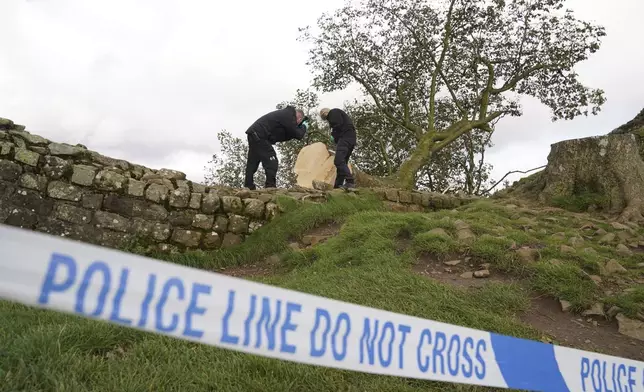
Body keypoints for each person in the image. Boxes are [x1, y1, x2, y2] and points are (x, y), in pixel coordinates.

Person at [243, 105, 309, 190]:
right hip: (260, 135)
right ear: (299, 118)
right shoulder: (289, 115)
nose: (297, 124)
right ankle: (270, 187)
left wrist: (300, 127)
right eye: (299, 122)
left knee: (253, 162)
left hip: (254, 134)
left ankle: (248, 186)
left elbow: (290, 134)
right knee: (272, 160)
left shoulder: (285, 115)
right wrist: (304, 126)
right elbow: (298, 134)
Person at [319, 107, 356, 189]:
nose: (323, 115)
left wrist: (333, 134)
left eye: (323, 114)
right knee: (342, 162)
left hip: (345, 137)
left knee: (338, 161)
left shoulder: (333, 112)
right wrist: (335, 138)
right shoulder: (337, 115)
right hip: (350, 139)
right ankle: (338, 185)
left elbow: (337, 124)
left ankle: (350, 181)